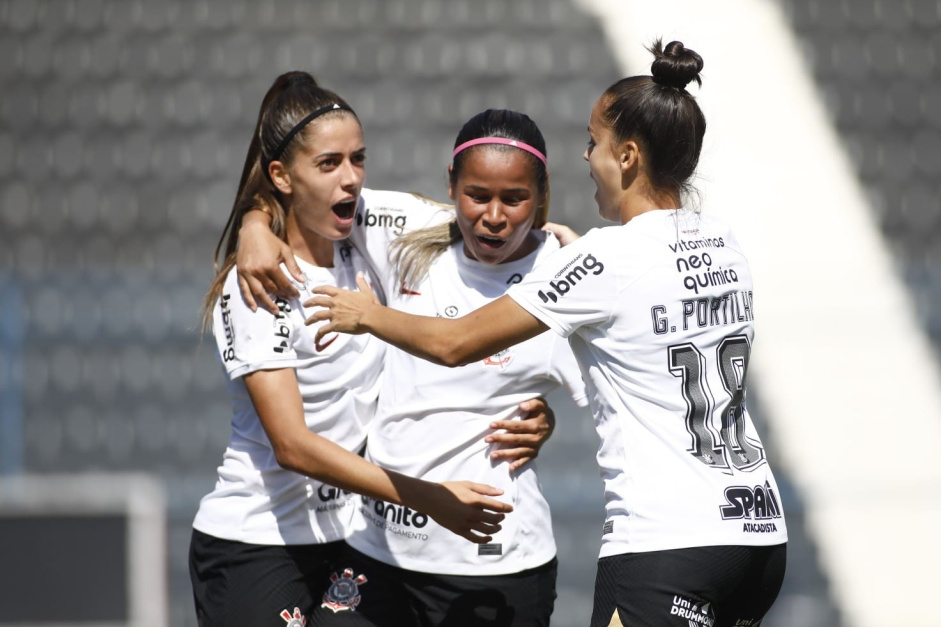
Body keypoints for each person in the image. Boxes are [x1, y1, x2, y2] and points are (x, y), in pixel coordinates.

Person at [307, 41, 788, 627]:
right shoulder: (723, 241)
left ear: (628, 156)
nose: (587, 157)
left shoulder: (601, 257)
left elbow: (456, 345)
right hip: (758, 531)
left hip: (669, 544)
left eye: (594, 142)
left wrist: (366, 316)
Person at [189, 71, 521, 627]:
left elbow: (489, 217)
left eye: (358, 159)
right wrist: (428, 497)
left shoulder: (369, 239)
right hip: (260, 544)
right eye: (329, 164)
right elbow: (292, 446)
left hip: (354, 541)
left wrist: (554, 237)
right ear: (281, 175)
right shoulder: (257, 283)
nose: (352, 180)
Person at [236, 109, 588, 627]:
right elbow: (306, 191)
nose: (494, 216)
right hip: (377, 552)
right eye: (477, 195)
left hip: (492, 563)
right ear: (450, 184)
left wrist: (544, 420)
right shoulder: (407, 232)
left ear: (540, 195)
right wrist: (255, 225)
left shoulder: (568, 273)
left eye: (514, 199)